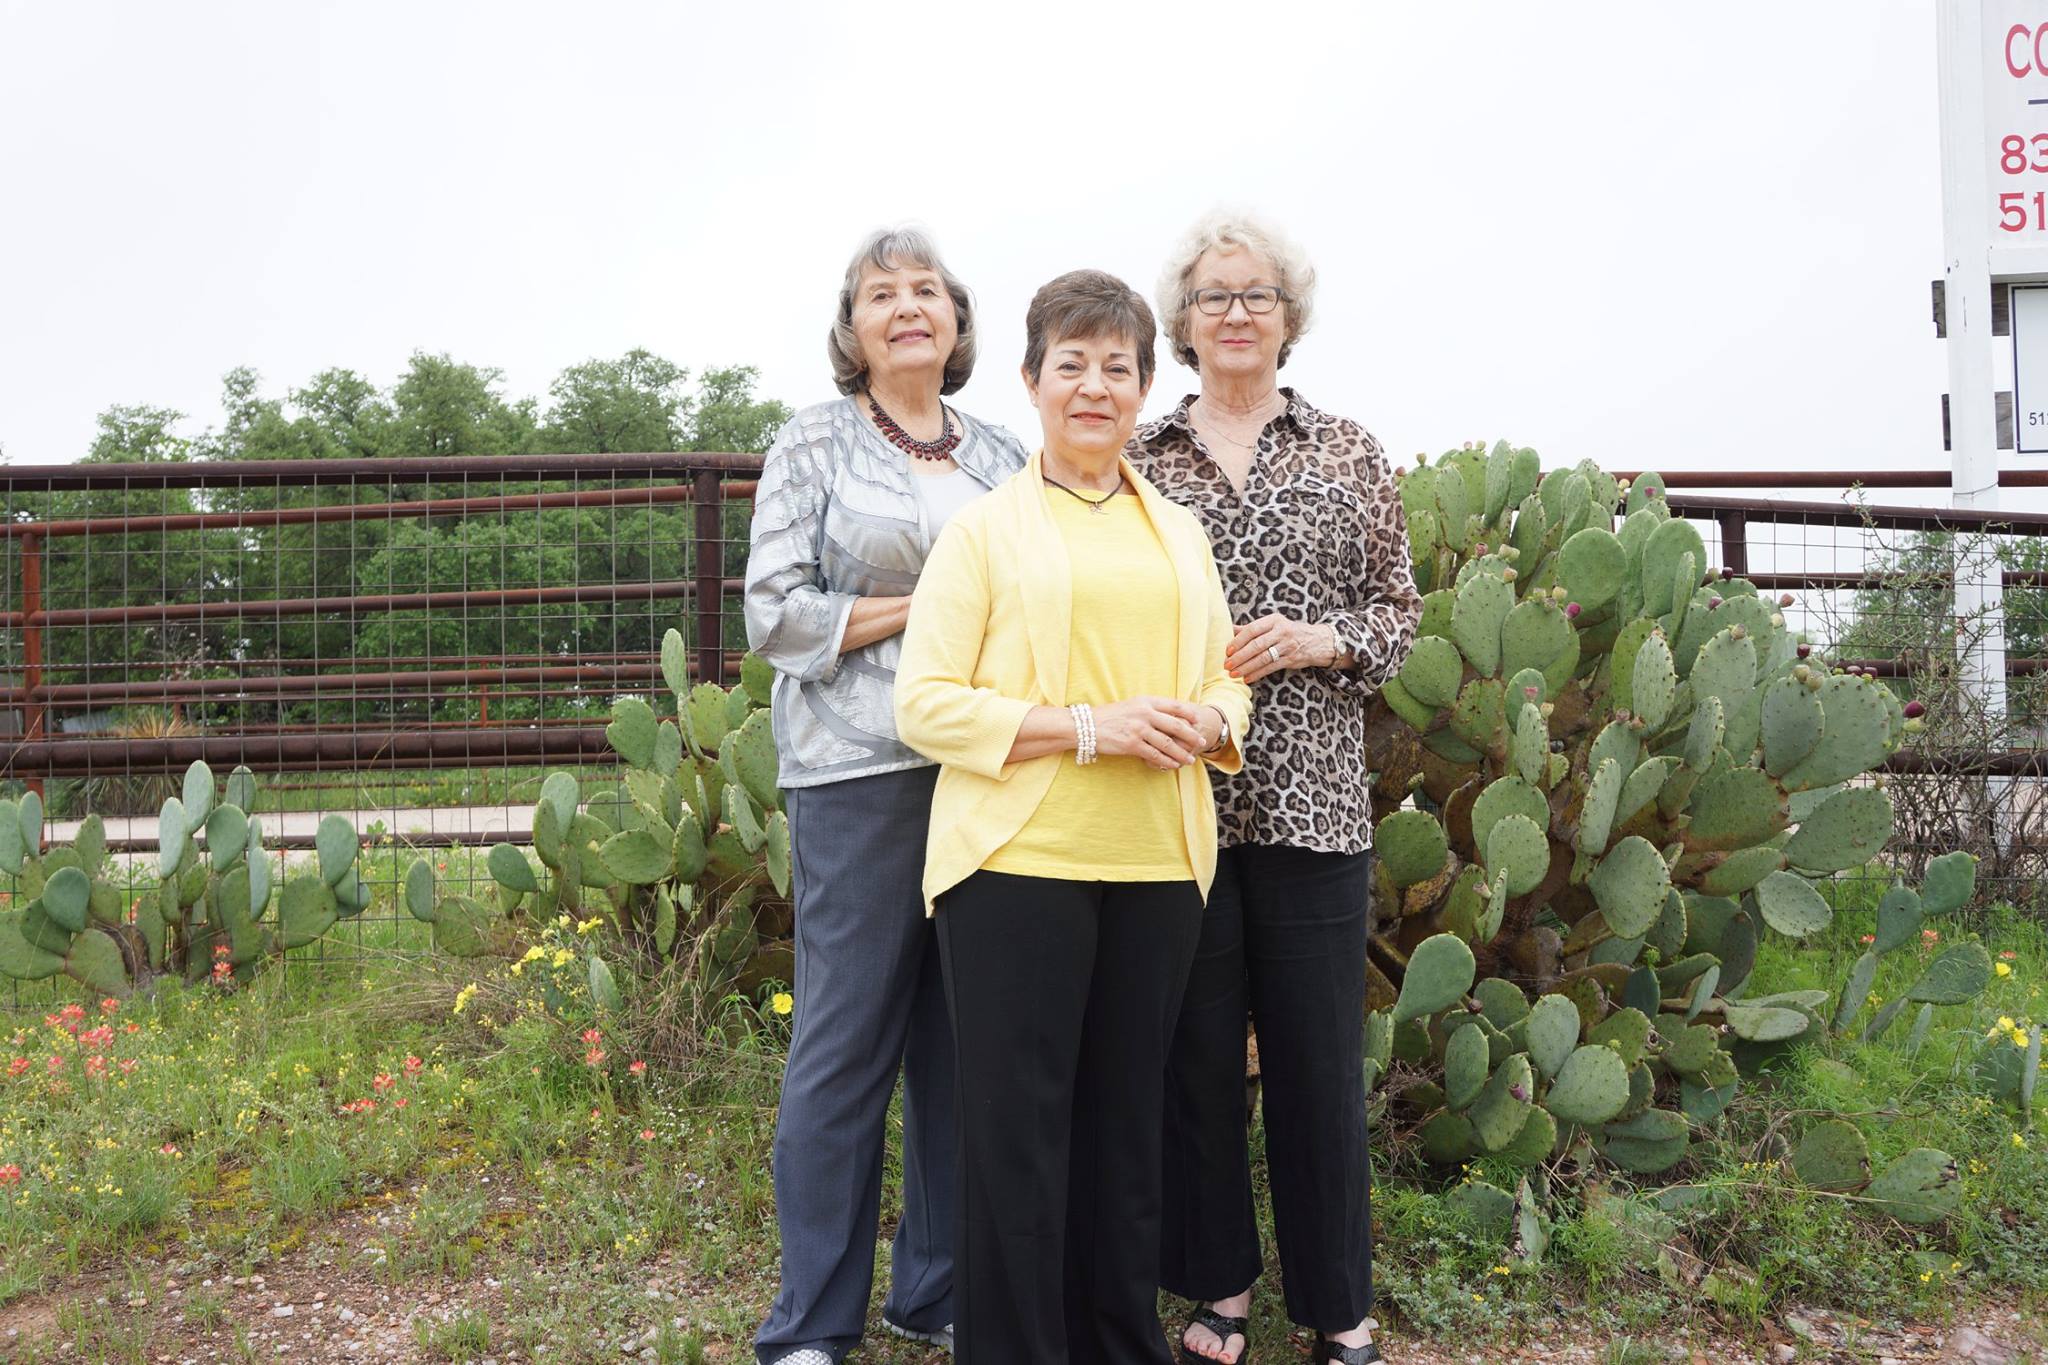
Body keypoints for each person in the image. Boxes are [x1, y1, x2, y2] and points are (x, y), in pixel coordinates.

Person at [895, 268, 1253, 1365]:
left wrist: (1204, 718)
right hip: (1015, 862)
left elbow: (1228, 679)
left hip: (1156, 860)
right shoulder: (982, 533)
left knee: (1123, 1132)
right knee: (1017, 1139)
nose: (1093, 387)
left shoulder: (1179, 531)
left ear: (1144, 388)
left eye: (1117, 368)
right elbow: (925, 705)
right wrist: (1088, 728)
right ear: (1031, 380)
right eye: (1072, 365)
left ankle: (1117, 1344)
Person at [1128, 212, 1422, 1365]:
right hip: (1178, 798)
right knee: (1194, 1060)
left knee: (1312, 1065)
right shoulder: (1144, 460)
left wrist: (1318, 639)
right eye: (1213, 297)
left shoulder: (1347, 449)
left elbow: (1398, 616)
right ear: (1183, 324)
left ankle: (1336, 1305)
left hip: (1314, 802)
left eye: (1255, 296)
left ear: (1288, 319)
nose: (1235, 313)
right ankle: (1217, 1289)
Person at [743, 226, 1029, 1365]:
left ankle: (935, 1290)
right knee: (842, 1044)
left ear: (956, 324)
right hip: (856, 773)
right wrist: (931, 605)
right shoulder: (809, 443)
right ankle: (812, 1321)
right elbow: (773, 612)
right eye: (880, 294)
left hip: (984, 772)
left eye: (927, 291)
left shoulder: (1005, 455)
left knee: (964, 1050)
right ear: (852, 332)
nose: (907, 306)